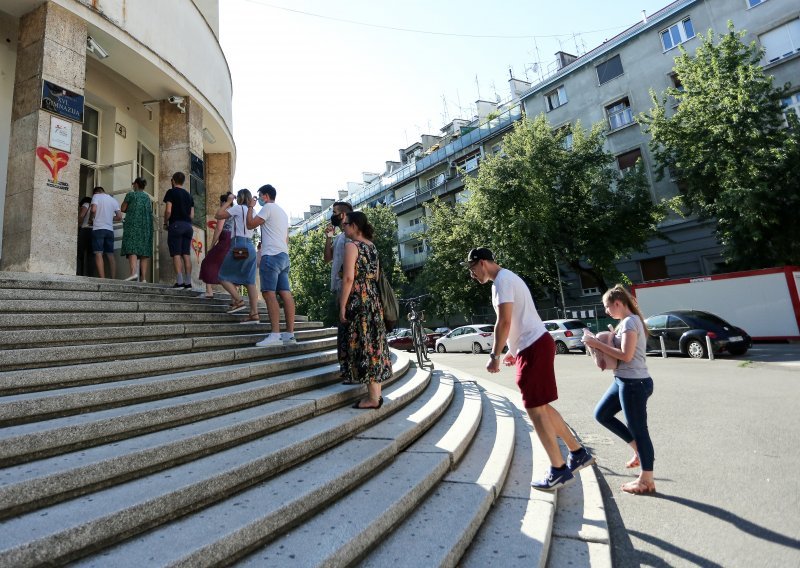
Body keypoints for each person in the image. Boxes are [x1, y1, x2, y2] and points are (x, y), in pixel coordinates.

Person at [466, 247, 594, 491]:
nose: (472, 275)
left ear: (482, 263)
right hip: (533, 345)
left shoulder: (502, 281)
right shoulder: (504, 280)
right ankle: (577, 453)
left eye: (472, 269)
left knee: (534, 409)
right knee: (541, 406)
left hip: (534, 346)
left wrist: (494, 355)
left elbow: (503, 321)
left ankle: (558, 469)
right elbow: (518, 320)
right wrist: (513, 351)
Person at [583, 284, 656, 495]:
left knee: (639, 430)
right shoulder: (626, 322)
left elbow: (626, 356)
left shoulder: (631, 322)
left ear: (618, 303)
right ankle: (637, 450)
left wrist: (596, 344)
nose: (606, 311)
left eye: (607, 307)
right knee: (602, 414)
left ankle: (646, 480)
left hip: (634, 383)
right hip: (624, 380)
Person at [338, 211, 391, 409]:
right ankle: (376, 394)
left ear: (355, 226)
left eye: (345, 224)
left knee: (363, 343)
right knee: (373, 343)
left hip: (359, 298)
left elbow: (349, 278)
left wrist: (342, 305)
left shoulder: (352, 246)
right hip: (373, 298)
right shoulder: (372, 246)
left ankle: (372, 398)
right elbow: (376, 275)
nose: (343, 228)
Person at [247, 184, 296, 344]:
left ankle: (275, 334)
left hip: (271, 255)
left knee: (269, 293)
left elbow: (250, 224)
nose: (259, 198)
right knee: (285, 293)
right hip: (283, 255)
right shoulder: (282, 212)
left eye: (260, 195)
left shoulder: (267, 207)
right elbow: (285, 237)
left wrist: (250, 207)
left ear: (266, 196)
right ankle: (289, 334)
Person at [216, 189, 260, 322]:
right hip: (250, 247)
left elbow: (218, 215)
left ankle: (239, 300)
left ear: (240, 198)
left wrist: (228, 201)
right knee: (250, 282)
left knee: (222, 276)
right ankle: (254, 314)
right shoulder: (253, 211)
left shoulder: (238, 208)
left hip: (238, 245)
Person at [324, 201, 354, 382]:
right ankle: (346, 369)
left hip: (348, 289)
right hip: (338, 287)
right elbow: (327, 258)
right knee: (343, 330)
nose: (333, 216)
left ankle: (351, 370)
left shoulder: (352, 237)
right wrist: (328, 237)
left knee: (348, 329)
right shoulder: (340, 237)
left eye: (335, 212)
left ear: (343, 215)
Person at [162, 171, 194, 289]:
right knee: (186, 254)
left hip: (176, 225)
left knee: (176, 253)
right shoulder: (189, 195)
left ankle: (180, 282)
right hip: (188, 226)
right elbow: (192, 216)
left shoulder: (171, 192)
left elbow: (168, 210)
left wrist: (165, 222)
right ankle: (188, 282)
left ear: (173, 181)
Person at [199, 192, 234, 299]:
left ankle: (209, 291)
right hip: (234, 241)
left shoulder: (223, 212)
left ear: (224, 202)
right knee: (229, 267)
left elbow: (218, 229)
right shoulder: (235, 211)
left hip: (224, 240)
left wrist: (212, 245)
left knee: (207, 262)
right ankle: (234, 297)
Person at [120, 177, 153, 282]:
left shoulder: (131, 195)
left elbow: (123, 208)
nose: (133, 185)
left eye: (133, 184)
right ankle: (143, 278)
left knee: (132, 247)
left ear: (137, 185)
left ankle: (133, 273)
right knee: (144, 250)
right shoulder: (147, 198)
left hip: (133, 224)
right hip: (146, 226)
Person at [89, 186, 122, 279]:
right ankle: (113, 278)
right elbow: (119, 217)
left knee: (98, 253)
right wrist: (108, 217)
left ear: (96, 192)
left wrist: (91, 218)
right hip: (109, 230)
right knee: (110, 255)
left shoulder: (96, 196)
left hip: (98, 229)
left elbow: (93, 209)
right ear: (103, 191)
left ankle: (102, 279)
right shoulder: (112, 200)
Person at [77, 196, 93, 277]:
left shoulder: (86, 204)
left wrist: (77, 224)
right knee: (91, 255)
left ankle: (79, 273)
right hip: (93, 231)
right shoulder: (95, 206)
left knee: (79, 253)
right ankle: (90, 275)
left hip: (85, 230)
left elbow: (82, 215)